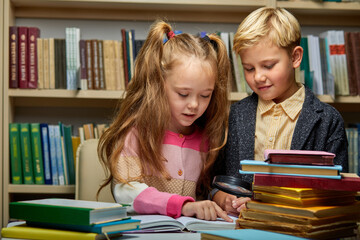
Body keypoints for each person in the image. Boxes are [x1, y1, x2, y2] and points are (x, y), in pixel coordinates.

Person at [212, 7, 349, 216]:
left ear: (295, 57)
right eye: (249, 69)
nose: (258, 77)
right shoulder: (234, 116)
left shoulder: (328, 121)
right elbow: (214, 180)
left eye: (268, 65)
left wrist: (270, 205)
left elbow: (337, 195)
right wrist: (220, 197)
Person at [97, 20, 233, 222]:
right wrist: (183, 206)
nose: (194, 105)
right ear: (158, 85)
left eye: (205, 95)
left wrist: (221, 198)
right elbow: (126, 191)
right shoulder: (135, 135)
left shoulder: (207, 140)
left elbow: (205, 191)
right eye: (183, 93)